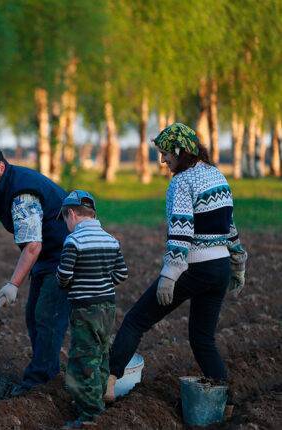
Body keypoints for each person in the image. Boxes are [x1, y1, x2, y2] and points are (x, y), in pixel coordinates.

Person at [105, 123, 248, 402]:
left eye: (166, 153)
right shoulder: (217, 175)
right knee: (202, 339)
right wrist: (238, 264)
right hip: (218, 269)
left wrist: (170, 274)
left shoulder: (181, 182)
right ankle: (225, 403)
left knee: (136, 320)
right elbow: (229, 225)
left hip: (192, 267)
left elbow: (181, 231)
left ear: (181, 151)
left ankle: (108, 383)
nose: (163, 160)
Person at [0, 147, 70, 395]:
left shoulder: (23, 194)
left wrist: (13, 284)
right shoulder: (10, 183)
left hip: (66, 255)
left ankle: (38, 382)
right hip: (50, 254)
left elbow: (33, 245)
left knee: (47, 317)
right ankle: (48, 374)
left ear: (1, 167)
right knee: (34, 314)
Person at [56, 190, 128, 429]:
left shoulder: (74, 241)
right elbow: (121, 274)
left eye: (65, 219)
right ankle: (100, 399)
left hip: (84, 308)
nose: (66, 224)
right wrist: (102, 281)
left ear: (72, 214)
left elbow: (64, 276)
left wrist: (65, 282)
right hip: (108, 306)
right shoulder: (110, 239)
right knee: (102, 353)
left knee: (82, 361)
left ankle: (90, 416)